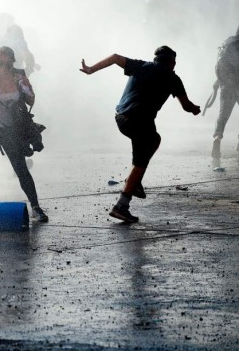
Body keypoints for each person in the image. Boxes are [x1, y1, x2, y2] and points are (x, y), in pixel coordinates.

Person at [80, 46, 201, 223]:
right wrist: (195, 110)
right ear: (173, 63)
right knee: (142, 158)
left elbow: (114, 57)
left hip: (122, 118)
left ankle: (135, 182)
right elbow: (186, 105)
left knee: (154, 140)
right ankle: (121, 205)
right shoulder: (173, 78)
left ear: (156, 60)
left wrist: (91, 70)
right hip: (140, 122)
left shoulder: (141, 66)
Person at [0, 46, 48, 223]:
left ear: (13, 63)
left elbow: (31, 100)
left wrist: (26, 87)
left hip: (10, 128)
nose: (4, 67)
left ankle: (36, 207)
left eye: (8, 64)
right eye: (0, 63)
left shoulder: (19, 74)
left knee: (21, 168)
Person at [208, 26, 239, 165]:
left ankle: (217, 138)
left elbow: (220, 66)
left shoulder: (227, 44)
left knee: (223, 114)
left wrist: (219, 82)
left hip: (226, 84)